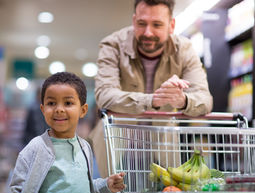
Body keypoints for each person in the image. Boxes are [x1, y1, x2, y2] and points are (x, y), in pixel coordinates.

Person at [89, 0, 213, 178]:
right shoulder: (112, 45)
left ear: (171, 25)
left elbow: (205, 99)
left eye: (157, 25)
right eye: (141, 23)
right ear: (134, 21)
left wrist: (183, 100)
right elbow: (104, 95)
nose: (148, 32)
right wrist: (152, 100)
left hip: (163, 149)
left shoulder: (184, 49)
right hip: (114, 148)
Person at [9, 72, 126, 193]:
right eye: (51, 103)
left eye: (68, 103)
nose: (59, 109)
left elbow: (83, 187)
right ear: (43, 110)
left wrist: (106, 185)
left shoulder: (85, 147)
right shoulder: (36, 148)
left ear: (83, 110)